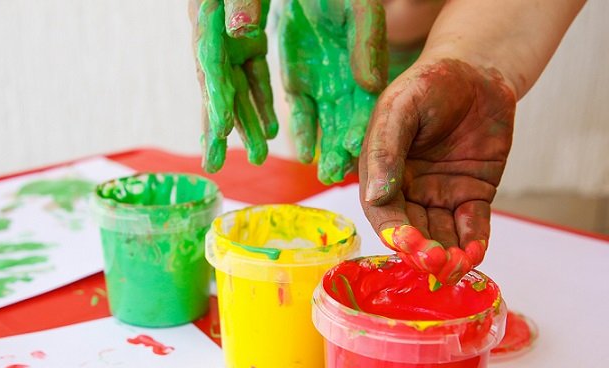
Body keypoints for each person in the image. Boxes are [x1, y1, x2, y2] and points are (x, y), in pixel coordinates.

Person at [189, 0, 586, 284]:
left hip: (471, 21)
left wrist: (474, 56)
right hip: (318, 35)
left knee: (396, 199)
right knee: (329, 189)